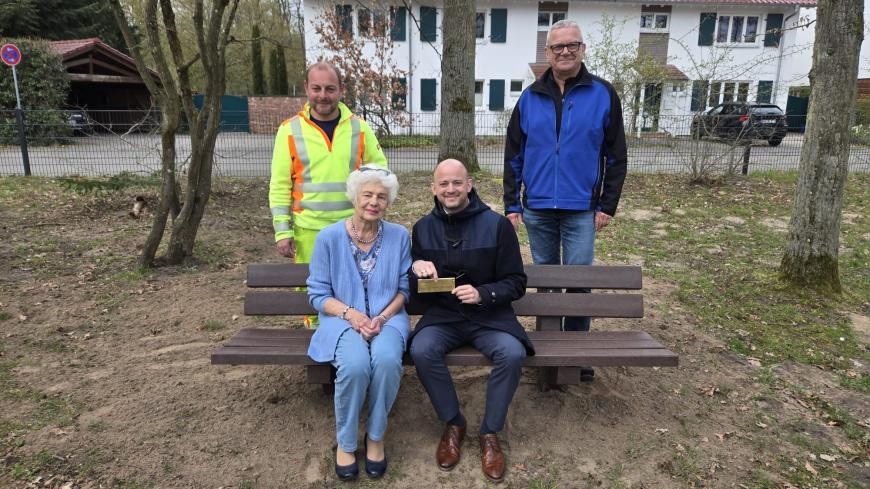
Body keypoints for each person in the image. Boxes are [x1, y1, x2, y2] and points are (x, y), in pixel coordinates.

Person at [503, 19, 627, 380]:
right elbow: (514, 155)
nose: (565, 51)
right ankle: (547, 350)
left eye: (572, 45)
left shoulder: (603, 94)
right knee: (545, 282)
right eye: (558, 47)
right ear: (547, 53)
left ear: (583, 49)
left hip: (580, 210)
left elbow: (617, 155)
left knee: (577, 282)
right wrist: (512, 204)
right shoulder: (529, 98)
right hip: (537, 207)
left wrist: (607, 204)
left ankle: (576, 353)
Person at [409, 159, 533, 483]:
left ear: (469, 184)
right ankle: (453, 422)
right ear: (433, 188)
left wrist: (483, 294)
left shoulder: (497, 225)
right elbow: (417, 291)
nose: (450, 189)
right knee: (421, 349)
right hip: (444, 316)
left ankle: (490, 433)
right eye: (443, 184)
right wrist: (416, 268)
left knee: (513, 353)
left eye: (456, 182)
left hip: (489, 316)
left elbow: (516, 282)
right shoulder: (422, 228)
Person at [306, 165, 411, 481]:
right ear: (354, 197)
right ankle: (347, 442)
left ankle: (376, 436)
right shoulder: (328, 238)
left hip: (388, 318)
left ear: (388, 202)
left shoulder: (399, 235)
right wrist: (352, 315)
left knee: (388, 360)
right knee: (354, 365)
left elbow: (405, 289)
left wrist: (380, 317)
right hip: (341, 320)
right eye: (367, 194)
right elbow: (318, 294)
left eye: (381, 196)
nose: (374, 202)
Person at [270, 61, 388, 328]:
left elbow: (380, 172)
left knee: (355, 288)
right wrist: (283, 231)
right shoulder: (289, 130)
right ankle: (317, 344)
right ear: (306, 89)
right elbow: (279, 186)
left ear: (341, 90)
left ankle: (351, 343)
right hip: (308, 230)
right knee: (314, 292)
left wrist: (372, 212)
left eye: (330, 89)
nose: (323, 95)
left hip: (354, 228)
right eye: (317, 88)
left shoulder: (359, 128)